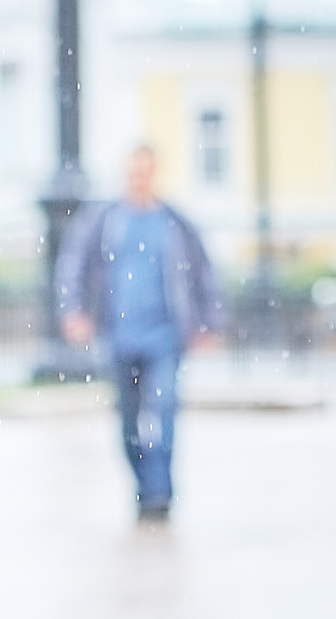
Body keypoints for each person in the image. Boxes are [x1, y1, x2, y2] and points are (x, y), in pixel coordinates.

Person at [55, 144, 225, 522]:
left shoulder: (175, 224)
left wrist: (209, 322)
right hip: (118, 336)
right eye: (133, 171)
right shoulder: (106, 221)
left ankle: (160, 491)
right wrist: (74, 312)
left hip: (165, 336)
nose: (139, 178)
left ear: (155, 174)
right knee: (128, 421)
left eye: (145, 171)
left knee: (164, 410)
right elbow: (74, 264)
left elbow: (203, 272)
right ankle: (142, 484)